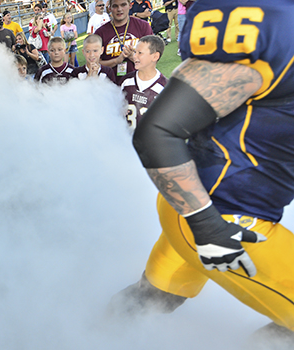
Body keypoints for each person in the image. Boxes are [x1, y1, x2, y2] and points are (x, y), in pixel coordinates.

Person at [113, 0, 294, 342]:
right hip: (219, 214)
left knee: (152, 298)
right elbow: (157, 132)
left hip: (217, 204)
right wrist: (208, 226)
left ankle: (81, 333)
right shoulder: (275, 26)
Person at [118, 35, 166, 130]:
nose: (134, 56)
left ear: (155, 56)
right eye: (135, 52)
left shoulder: (164, 88)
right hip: (124, 141)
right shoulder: (126, 81)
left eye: (140, 53)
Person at [96, 0, 153, 78]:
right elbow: (95, 63)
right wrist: (116, 61)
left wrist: (134, 57)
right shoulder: (100, 33)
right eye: (115, 6)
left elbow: (152, 58)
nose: (119, 9)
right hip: (111, 84)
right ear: (110, 8)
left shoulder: (143, 26)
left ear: (130, 6)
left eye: (123, 5)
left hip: (139, 82)